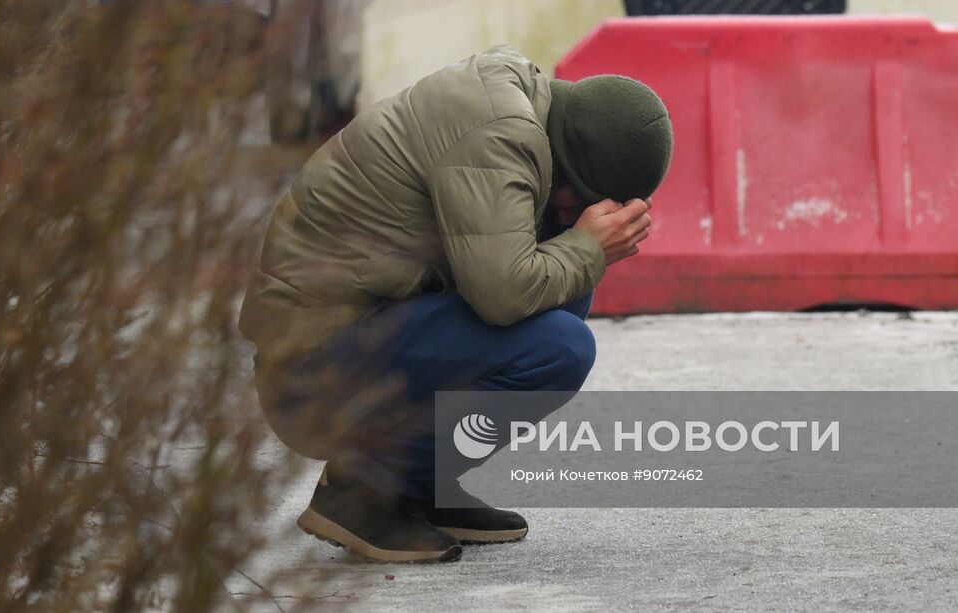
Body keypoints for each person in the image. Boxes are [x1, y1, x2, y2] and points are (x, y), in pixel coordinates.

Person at [240, 46, 672, 563]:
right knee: (561, 343)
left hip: (359, 330)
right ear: (571, 171)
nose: (575, 212)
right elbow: (505, 295)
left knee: (567, 275)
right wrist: (587, 246)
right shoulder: (499, 136)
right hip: (309, 377)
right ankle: (362, 490)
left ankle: (418, 486)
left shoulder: (521, 115)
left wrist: (581, 242)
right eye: (585, 200)